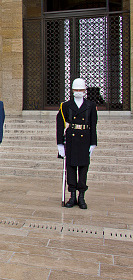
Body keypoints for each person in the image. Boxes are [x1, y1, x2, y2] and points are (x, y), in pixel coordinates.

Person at [56, 78, 97, 209]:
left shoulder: (90, 106)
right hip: (72, 139)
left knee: (83, 168)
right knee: (71, 168)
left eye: (81, 90)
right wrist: (60, 144)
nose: (78, 92)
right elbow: (60, 124)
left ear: (85, 91)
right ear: (72, 90)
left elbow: (93, 125)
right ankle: (72, 196)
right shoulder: (66, 106)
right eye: (76, 90)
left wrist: (93, 143)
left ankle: (82, 197)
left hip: (85, 138)